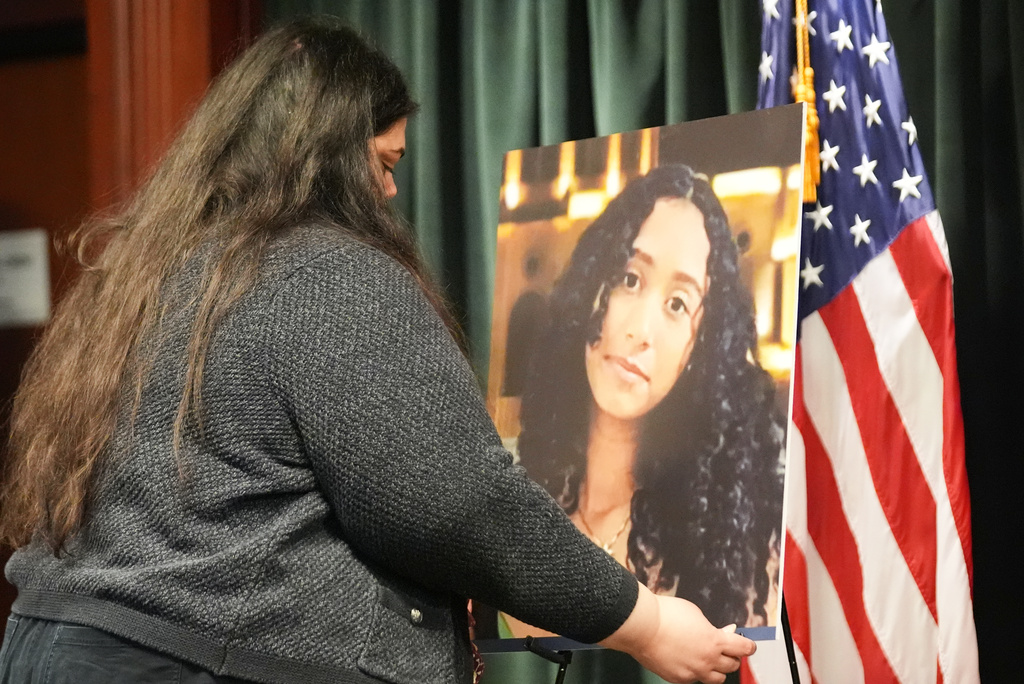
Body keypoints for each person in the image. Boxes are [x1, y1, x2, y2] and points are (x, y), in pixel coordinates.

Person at [0, 17, 754, 684]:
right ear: (324, 153)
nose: (391, 194)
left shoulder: (154, 275)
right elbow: (457, 503)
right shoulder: (322, 270)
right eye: (385, 164)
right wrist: (646, 623)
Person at [513, 165, 785, 635]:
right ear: (593, 283)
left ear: (700, 350)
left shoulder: (727, 547)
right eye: (630, 279)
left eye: (678, 304)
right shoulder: (516, 492)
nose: (641, 330)